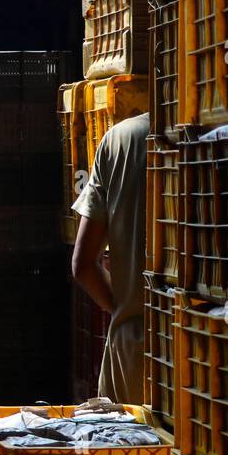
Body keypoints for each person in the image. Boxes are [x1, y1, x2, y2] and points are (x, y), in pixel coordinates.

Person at [71, 112, 151, 405]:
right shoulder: (225, 131)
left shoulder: (121, 139)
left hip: (134, 356)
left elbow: (83, 265)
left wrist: (123, 309)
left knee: (133, 451)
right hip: (213, 358)